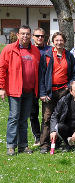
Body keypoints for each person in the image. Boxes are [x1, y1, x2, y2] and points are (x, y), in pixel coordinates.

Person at [0, 25, 40, 155]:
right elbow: (2, 69)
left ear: (30, 36)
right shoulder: (9, 49)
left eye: (27, 34)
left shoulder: (35, 51)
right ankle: (11, 145)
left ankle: (23, 145)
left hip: (29, 91)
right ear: (18, 35)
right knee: (14, 117)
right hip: (14, 90)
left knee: (24, 119)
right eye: (22, 34)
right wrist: (1, 88)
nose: (25, 36)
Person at [38, 32, 75, 153]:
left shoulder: (69, 56)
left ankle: (62, 142)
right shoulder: (46, 55)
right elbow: (41, 76)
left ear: (65, 42)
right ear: (53, 42)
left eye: (61, 40)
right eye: (56, 40)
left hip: (64, 91)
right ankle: (45, 144)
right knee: (47, 117)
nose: (59, 42)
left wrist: (68, 87)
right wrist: (42, 93)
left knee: (64, 117)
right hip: (49, 91)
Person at [31, 27, 52, 146]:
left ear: (45, 37)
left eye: (42, 36)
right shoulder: (30, 49)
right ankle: (37, 137)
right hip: (32, 87)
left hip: (47, 86)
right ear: (33, 37)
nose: (40, 38)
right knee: (33, 113)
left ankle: (47, 136)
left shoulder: (50, 50)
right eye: (37, 36)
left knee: (47, 115)